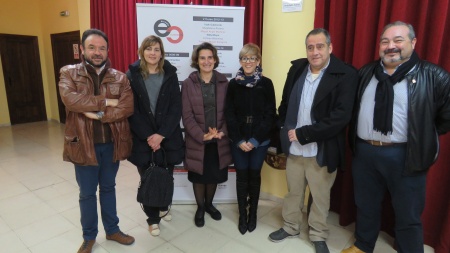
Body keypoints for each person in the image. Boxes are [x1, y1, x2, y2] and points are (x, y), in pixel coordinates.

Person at [342, 21, 450, 253]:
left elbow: (444, 120)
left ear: (413, 43)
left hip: (406, 155)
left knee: (408, 212)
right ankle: (363, 245)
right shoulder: (366, 72)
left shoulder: (435, 76)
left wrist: (420, 137)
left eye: (398, 40)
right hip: (365, 153)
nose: (391, 46)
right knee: (365, 205)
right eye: (385, 41)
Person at [268, 28, 358, 253]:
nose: (315, 51)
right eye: (310, 47)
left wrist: (304, 133)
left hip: (322, 148)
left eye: (320, 46)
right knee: (293, 192)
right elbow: (285, 102)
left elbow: (341, 116)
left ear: (330, 47)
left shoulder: (345, 74)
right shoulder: (298, 69)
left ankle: (318, 234)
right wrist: (283, 128)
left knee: (320, 196)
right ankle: (291, 227)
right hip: (295, 147)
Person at [58, 29, 135, 253]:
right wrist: (108, 102)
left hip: (111, 144)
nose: (97, 52)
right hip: (82, 145)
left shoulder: (120, 77)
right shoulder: (69, 73)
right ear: (82, 49)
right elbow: (71, 100)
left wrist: (97, 114)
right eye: (92, 47)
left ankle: (112, 230)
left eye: (101, 48)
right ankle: (89, 236)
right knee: (87, 193)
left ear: (107, 50)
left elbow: (127, 106)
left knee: (109, 189)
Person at [126, 35, 184, 237]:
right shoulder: (132, 75)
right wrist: (149, 136)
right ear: (142, 51)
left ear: (162, 53)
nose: (153, 53)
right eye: (149, 48)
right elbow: (131, 110)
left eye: (157, 49)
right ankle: (152, 219)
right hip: (143, 138)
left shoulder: (170, 73)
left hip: (167, 136)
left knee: (166, 175)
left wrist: (161, 135)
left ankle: (163, 206)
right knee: (149, 178)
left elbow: (176, 108)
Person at [225, 43, 276, 234]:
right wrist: (239, 140)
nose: (248, 62)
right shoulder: (233, 84)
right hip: (238, 139)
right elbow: (229, 113)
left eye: (252, 58)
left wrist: (255, 140)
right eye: (245, 58)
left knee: (254, 176)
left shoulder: (266, 83)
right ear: (240, 61)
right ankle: (242, 215)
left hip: (259, 139)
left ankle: (253, 213)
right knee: (241, 177)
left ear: (258, 61)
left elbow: (270, 114)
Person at [181, 42, 232, 227]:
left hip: (218, 139)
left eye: (210, 57)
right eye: (202, 57)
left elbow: (229, 112)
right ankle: (200, 207)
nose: (206, 61)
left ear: (215, 59)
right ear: (197, 60)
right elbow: (186, 115)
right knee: (199, 176)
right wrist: (201, 136)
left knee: (213, 175)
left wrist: (222, 132)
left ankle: (209, 204)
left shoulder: (224, 82)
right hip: (198, 140)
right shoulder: (188, 83)